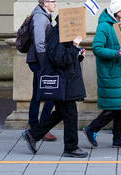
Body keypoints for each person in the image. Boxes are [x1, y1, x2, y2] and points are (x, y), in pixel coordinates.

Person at [22, 15, 88, 158]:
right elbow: (61, 60)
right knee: (70, 115)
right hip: (64, 84)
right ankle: (71, 148)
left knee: (60, 113)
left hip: (67, 83)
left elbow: (68, 60)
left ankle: (32, 134)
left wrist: (79, 54)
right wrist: (75, 47)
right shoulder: (57, 36)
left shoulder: (65, 36)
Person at [83, 0, 121, 149]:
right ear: (115, 11)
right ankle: (91, 128)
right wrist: (116, 53)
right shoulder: (104, 27)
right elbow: (97, 49)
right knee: (114, 107)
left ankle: (118, 138)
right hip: (111, 73)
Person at [26, 0, 57, 141]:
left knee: (38, 94)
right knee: (50, 94)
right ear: (45, 3)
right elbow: (39, 43)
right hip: (39, 62)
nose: (55, 4)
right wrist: (46, 65)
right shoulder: (40, 18)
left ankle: (35, 127)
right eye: (53, 1)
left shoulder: (44, 16)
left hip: (38, 61)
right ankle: (41, 128)